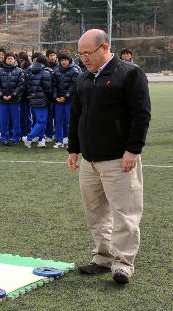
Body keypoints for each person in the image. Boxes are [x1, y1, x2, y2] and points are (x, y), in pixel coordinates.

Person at [67, 29, 151, 285]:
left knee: (125, 212)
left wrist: (133, 150)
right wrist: (74, 148)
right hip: (90, 160)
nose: (83, 59)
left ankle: (123, 263)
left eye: (87, 53)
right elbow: (76, 116)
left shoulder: (129, 73)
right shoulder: (82, 79)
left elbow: (141, 114)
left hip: (119, 158)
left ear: (104, 48)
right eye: (80, 54)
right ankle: (103, 256)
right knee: (95, 212)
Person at [23, 55, 53, 148]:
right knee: (41, 122)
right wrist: (51, 98)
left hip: (33, 100)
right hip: (42, 100)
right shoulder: (46, 73)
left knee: (38, 121)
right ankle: (29, 138)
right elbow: (48, 89)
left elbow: (27, 86)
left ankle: (41, 140)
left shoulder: (30, 72)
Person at [52, 53, 80, 148]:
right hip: (58, 101)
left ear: (69, 60)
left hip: (70, 101)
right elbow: (54, 85)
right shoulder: (56, 71)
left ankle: (71, 141)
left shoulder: (75, 71)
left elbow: (73, 86)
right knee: (58, 121)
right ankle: (59, 141)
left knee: (70, 121)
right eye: (62, 60)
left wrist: (66, 97)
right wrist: (56, 97)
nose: (64, 62)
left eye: (65, 60)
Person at [0, 53, 25, 146]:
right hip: (2, 101)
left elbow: (21, 85)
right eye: (8, 59)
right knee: (4, 121)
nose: (9, 60)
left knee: (16, 120)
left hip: (15, 101)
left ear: (14, 60)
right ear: (5, 60)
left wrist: (13, 95)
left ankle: (16, 138)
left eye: (11, 59)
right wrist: (1, 95)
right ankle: (4, 138)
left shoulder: (19, 71)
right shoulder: (0, 71)